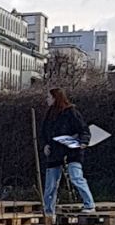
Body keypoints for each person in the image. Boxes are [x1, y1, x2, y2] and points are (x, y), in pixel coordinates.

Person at [39, 86, 100, 218]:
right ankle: (48, 210)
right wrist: (45, 145)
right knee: (50, 184)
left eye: (49, 97)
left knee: (76, 177)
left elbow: (83, 129)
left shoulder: (71, 112)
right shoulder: (49, 115)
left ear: (56, 98)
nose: (47, 100)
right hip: (55, 152)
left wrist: (83, 142)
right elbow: (44, 133)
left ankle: (89, 204)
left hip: (72, 151)